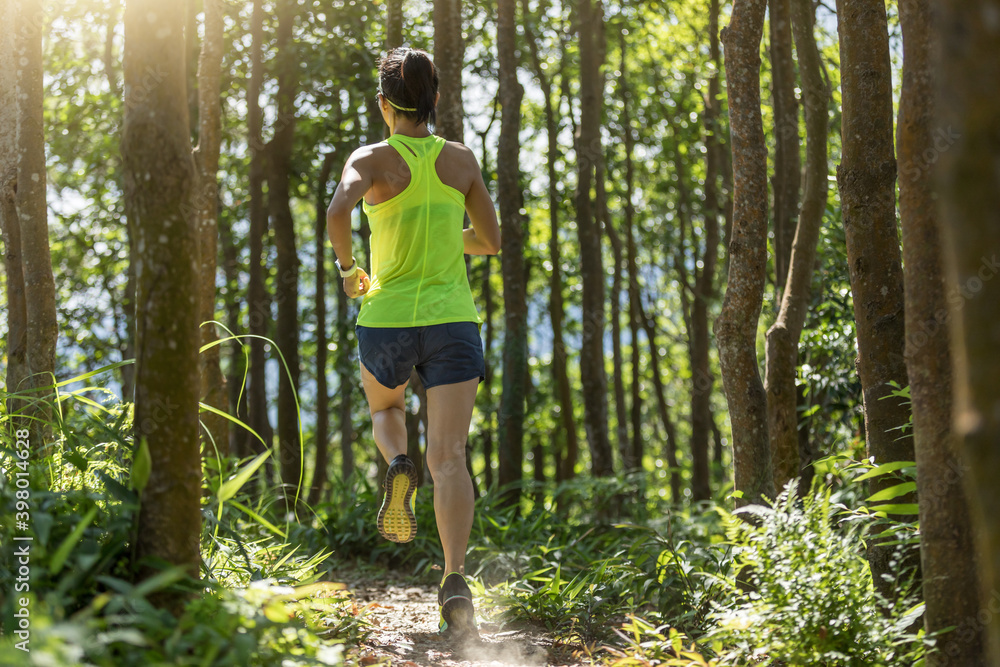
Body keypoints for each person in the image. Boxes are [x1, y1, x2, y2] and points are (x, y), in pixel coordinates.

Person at [326, 47, 500, 638]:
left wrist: (351, 271)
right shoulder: (461, 161)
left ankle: (397, 462)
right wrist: (446, 237)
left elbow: (338, 211)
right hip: (453, 322)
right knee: (450, 458)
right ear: (435, 100)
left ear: (384, 105)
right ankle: (454, 580)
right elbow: (491, 239)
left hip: (387, 318)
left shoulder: (372, 158)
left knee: (387, 407)